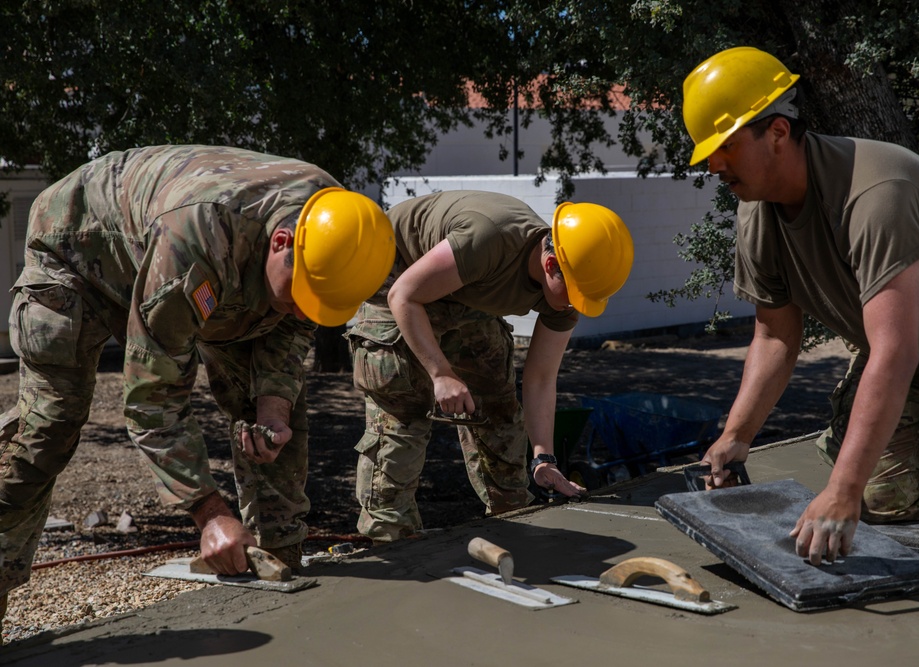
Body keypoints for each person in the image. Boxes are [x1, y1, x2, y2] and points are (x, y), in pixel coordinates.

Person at [0, 145, 395, 629]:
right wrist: (209, 514)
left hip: (213, 257)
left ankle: (279, 573)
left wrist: (273, 405)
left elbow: (295, 322)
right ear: (282, 242)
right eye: (299, 293)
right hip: (76, 249)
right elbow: (153, 397)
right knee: (49, 429)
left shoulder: (333, 225)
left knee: (275, 420)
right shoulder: (196, 244)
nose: (300, 308)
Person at [682, 46, 919, 566]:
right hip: (911, 353)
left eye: (726, 147)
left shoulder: (875, 192)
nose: (714, 165)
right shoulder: (754, 215)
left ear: (778, 133)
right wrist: (735, 437)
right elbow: (775, 337)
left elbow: (894, 353)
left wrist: (842, 488)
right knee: (883, 501)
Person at [347, 190, 634, 541]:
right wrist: (441, 374)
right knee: (402, 411)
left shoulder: (570, 286)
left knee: (498, 407)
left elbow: (541, 377)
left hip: (465, 290)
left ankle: (514, 518)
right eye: (576, 296)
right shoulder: (487, 238)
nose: (577, 307)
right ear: (550, 267)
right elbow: (403, 296)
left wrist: (544, 458)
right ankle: (390, 539)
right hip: (397, 280)